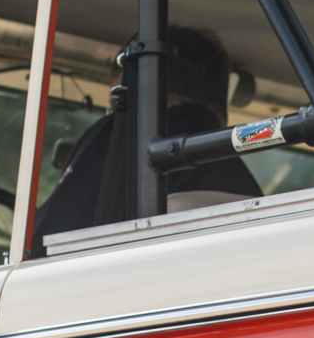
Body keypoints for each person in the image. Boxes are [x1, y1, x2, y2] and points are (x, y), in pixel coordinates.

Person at [31, 25, 264, 249]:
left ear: (138, 99)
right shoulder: (252, 195)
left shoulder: (119, 138)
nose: (113, 115)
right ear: (220, 111)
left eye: (118, 103)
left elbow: (40, 251)